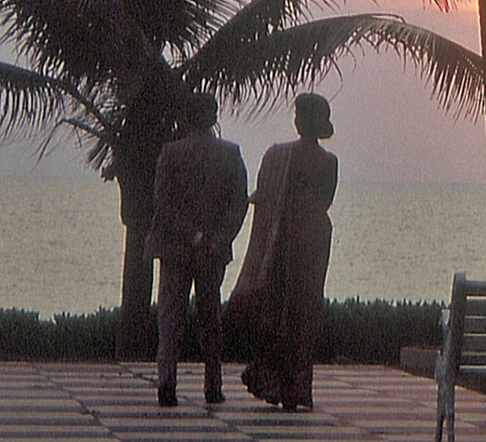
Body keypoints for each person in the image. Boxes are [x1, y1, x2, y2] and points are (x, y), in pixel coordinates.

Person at [229, 92, 339, 411]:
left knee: (279, 313)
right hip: (314, 238)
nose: (295, 120)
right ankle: (297, 388)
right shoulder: (329, 161)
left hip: (287, 240)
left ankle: (275, 382)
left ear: (305, 121)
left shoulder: (279, 156)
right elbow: (324, 202)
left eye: (298, 115)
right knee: (303, 315)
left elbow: (265, 196)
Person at [144, 91, 249, 407]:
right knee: (210, 317)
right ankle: (213, 385)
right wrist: (214, 241)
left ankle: (167, 384)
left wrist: (194, 237)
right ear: (214, 117)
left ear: (186, 118)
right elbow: (238, 204)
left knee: (171, 318)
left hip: (177, 249)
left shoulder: (171, 153)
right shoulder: (231, 154)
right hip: (212, 253)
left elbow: (162, 204)